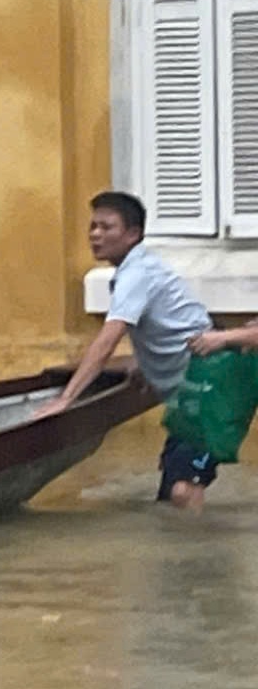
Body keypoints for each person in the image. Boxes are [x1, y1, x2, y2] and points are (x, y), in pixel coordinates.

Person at [34, 192, 217, 509]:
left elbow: (108, 339)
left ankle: (203, 540)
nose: (95, 235)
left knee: (182, 490)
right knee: (171, 496)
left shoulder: (136, 275)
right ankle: (191, 540)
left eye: (106, 227)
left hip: (213, 387)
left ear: (133, 234)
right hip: (193, 392)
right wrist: (145, 366)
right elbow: (168, 326)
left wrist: (67, 398)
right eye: (92, 227)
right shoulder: (134, 270)